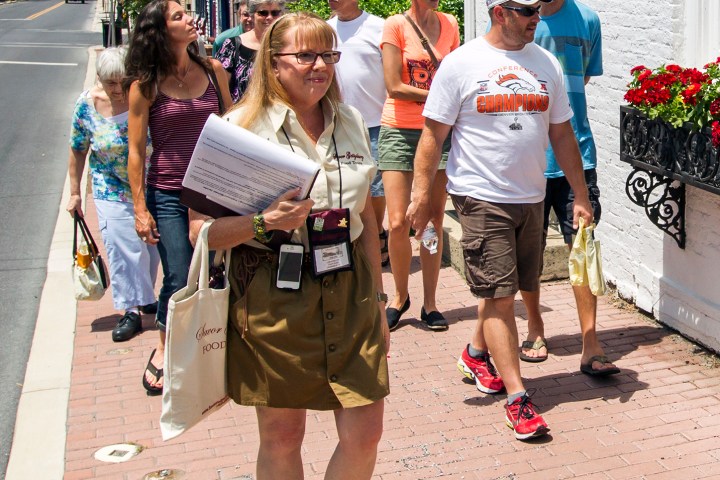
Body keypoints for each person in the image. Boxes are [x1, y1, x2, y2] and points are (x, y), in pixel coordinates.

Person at [188, 12, 390, 478]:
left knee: (365, 433)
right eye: (305, 55)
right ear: (273, 64)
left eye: (328, 55)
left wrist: (379, 299)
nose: (320, 65)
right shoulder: (239, 127)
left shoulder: (352, 120)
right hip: (275, 294)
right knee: (282, 436)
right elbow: (203, 232)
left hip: (351, 288)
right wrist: (262, 223)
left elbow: (363, 217)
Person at [406, 0, 594, 440]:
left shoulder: (545, 62)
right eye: (527, 10)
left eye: (536, 9)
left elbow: (562, 133)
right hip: (480, 196)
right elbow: (433, 135)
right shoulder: (461, 64)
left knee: (503, 291)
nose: (537, 17)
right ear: (499, 12)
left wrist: (580, 195)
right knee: (501, 294)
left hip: (530, 196)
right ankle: (517, 398)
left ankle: (476, 353)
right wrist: (419, 195)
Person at [124, 0, 232, 396]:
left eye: (188, 12)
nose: (190, 18)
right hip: (169, 192)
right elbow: (136, 150)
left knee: (219, 268)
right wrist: (139, 208)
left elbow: (232, 124)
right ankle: (164, 347)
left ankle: (213, 345)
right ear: (159, 30)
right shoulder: (145, 85)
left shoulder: (213, 70)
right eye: (179, 15)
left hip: (214, 189)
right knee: (179, 273)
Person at [514, 0, 619, 376]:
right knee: (529, 251)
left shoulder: (587, 20)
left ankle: (590, 341)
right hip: (530, 157)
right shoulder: (519, 18)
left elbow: (583, 80)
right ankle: (535, 326)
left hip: (578, 156)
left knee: (583, 247)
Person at [66, 47, 160, 343]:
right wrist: (75, 194)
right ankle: (130, 310)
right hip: (110, 186)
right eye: (111, 84)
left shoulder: (146, 96)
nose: (118, 90)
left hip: (149, 183)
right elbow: (77, 149)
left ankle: (144, 296)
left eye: (123, 81)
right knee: (123, 247)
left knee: (151, 247)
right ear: (99, 80)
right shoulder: (86, 106)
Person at [379, 0, 459, 332]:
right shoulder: (395, 25)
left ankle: (430, 303)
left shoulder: (450, 23)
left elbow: (456, 75)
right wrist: (440, 96)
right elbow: (394, 86)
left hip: (438, 130)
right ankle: (399, 297)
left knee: (432, 221)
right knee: (398, 222)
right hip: (398, 130)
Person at [327, 0, 389, 266]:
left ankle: (376, 234)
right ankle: (361, 237)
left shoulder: (379, 27)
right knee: (343, 184)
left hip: (375, 121)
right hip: (338, 121)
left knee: (375, 188)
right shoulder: (326, 30)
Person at [215, 0, 286, 102]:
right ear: (252, 15)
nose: (269, 17)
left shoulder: (289, 45)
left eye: (275, 13)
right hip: (244, 115)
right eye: (263, 13)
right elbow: (220, 90)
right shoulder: (232, 46)